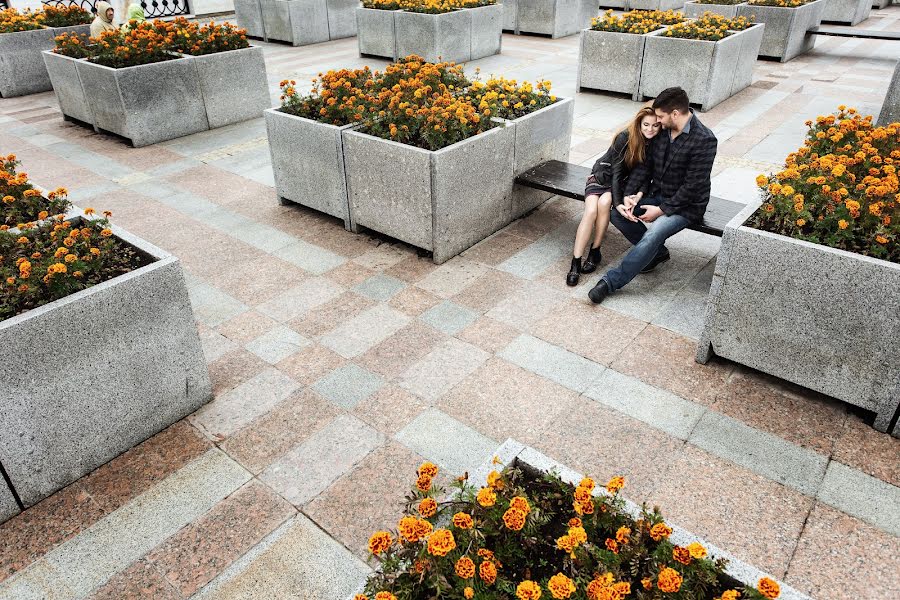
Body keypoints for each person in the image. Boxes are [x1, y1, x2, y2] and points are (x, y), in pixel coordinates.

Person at [588, 86, 718, 304]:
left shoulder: (704, 140)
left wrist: (661, 210)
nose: (657, 121)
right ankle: (656, 254)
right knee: (618, 214)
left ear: (675, 113)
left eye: (660, 116)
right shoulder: (663, 131)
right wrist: (632, 196)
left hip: (686, 205)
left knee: (654, 232)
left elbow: (693, 186)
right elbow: (645, 167)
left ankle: (610, 282)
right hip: (657, 194)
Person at [567, 107, 660, 286]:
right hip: (604, 175)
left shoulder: (654, 143)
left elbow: (645, 175)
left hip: (621, 183)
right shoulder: (625, 137)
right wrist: (619, 204)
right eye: (646, 125)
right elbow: (616, 172)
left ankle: (595, 251)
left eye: (655, 125)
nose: (650, 129)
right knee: (591, 210)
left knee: (605, 203)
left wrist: (638, 194)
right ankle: (575, 262)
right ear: (639, 124)